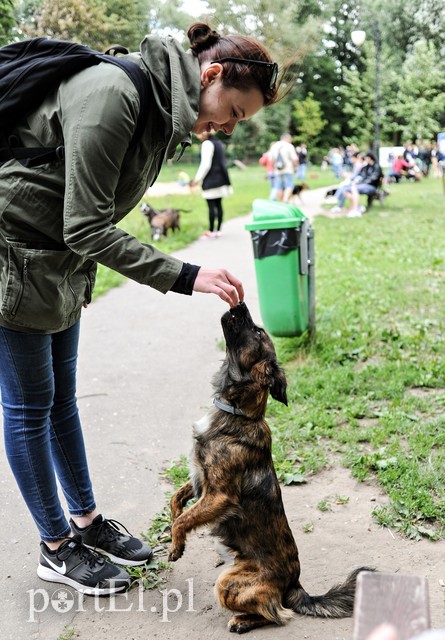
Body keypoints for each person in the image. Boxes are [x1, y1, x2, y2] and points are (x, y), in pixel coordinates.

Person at [0, 21, 281, 596]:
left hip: (59, 262)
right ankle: (55, 547)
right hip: (15, 254)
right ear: (210, 75)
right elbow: (86, 225)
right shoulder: (114, 93)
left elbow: (84, 220)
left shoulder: (160, 114)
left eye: (238, 123)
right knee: (29, 408)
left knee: (60, 402)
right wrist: (186, 274)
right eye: (233, 111)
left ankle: (85, 522)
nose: (227, 127)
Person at [190, 131, 232, 238]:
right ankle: (218, 230)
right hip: (221, 178)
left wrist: (197, 179)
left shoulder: (207, 144)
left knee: (211, 206)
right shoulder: (218, 142)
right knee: (219, 205)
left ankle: (211, 231)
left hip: (212, 180)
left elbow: (205, 164)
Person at [342, 151, 384, 217]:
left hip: (372, 186)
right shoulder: (366, 167)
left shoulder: (376, 167)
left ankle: (356, 209)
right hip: (363, 185)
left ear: (370, 158)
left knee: (354, 188)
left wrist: (360, 183)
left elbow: (373, 179)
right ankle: (358, 206)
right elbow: (361, 176)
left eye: (366, 158)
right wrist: (356, 181)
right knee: (345, 189)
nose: (365, 159)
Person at [271, 133, 298, 202]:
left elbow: (271, 159)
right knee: (289, 186)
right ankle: (285, 201)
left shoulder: (274, 146)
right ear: (287, 138)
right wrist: (295, 168)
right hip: (288, 169)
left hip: (278, 170)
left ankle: (281, 202)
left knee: (279, 187)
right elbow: (295, 159)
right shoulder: (289, 146)